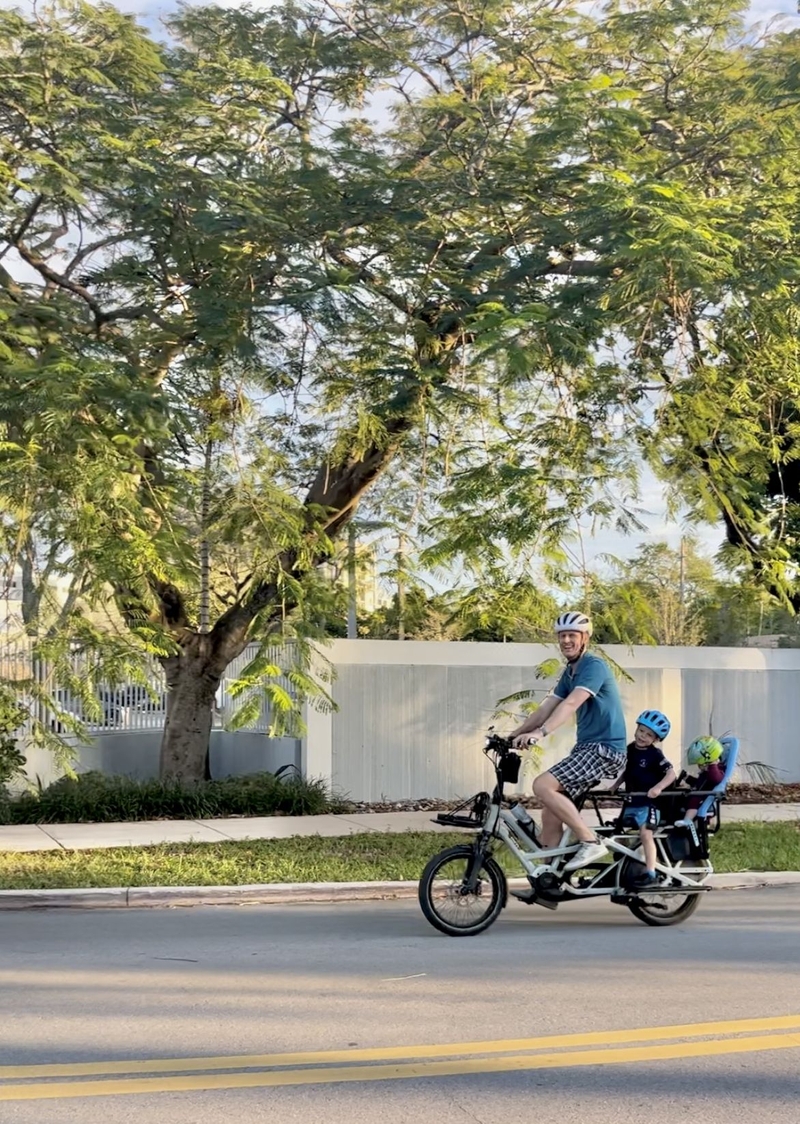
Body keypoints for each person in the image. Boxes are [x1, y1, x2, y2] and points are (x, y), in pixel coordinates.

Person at [510, 611, 627, 870]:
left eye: (572, 635)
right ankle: (547, 877)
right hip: (586, 748)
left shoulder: (594, 666)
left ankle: (589, 840)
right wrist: (513, 735)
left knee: (542, 786)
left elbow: (572, 703)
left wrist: (539, 734)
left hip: (605, 749)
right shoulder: (570, 672)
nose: (566, 641)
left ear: (585, 638)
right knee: (550, 814)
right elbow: (546, 708)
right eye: (562, 636)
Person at [610, 710, 676, 887]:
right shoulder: (630, 749)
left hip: (649, 804)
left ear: (655, 739)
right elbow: (629, 771)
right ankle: (622, 867)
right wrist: (616, 785)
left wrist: (658, 788)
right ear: (637, 728)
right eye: (641, 731)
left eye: (649, 735)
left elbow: (671, 774)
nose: (643, 736)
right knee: (616, 833)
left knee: (646, 834)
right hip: (632, 802)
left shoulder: (655, 755)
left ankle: (651, 873)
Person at [674, 736, 726, 844]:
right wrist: (686, 778)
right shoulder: (706, 774)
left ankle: (687, 821)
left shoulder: (716, 771)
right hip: (697, 794)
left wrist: (712, 765)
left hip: (701, 799)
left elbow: (716, 779)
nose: (699, 766)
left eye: (700, 764)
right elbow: (699, 783)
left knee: (693, 803)